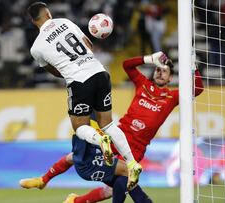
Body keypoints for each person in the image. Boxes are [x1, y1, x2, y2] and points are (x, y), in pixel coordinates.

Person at [20, 51, 204, 203]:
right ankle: (44, 180)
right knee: (75, 157)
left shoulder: (172, 97)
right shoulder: (143, 85)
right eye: (157, 69)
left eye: (164, 71)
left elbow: (198, 89)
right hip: (118, 138)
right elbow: (127, 65)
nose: (160, 72)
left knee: (114, 187)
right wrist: (148, 59)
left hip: (136, 149)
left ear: (171, 77)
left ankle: (74, 201)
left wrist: (193, 67)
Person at [25, 2, 142, 190]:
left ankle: (99, 139)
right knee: (108, 124)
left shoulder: (36, 48)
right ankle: (132, 163)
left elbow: (54, 70)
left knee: (80, 127)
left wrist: (69, 70)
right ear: (48, 13)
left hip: (79, 81)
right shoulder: (65, 22)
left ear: (33, 21)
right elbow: (88, 45)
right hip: (100, 73)